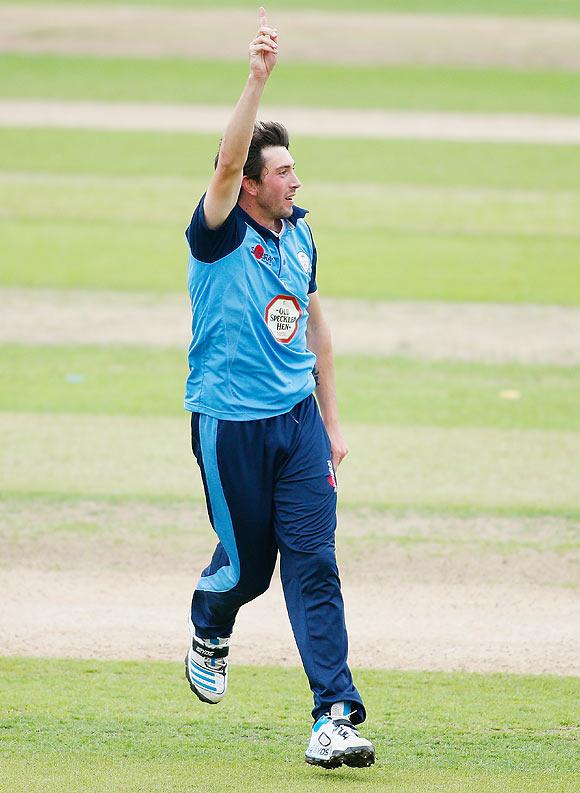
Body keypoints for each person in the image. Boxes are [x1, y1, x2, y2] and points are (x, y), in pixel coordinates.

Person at [182, 6, 375, 770]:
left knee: (314, 562)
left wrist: (331, 423)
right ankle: (211, 615)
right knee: (249, 569)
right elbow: (225, 165)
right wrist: (256, 77)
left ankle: (334, 714)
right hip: (229, 426)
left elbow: (319, 333)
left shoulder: (299, 233)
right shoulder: (219, 230)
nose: (296, 178)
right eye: (284, 170)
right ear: (253, 186)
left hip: (296, 426)